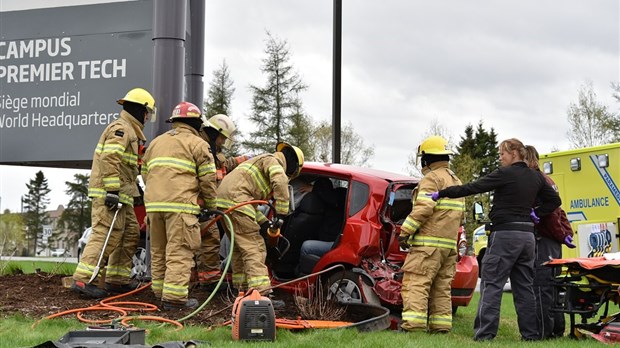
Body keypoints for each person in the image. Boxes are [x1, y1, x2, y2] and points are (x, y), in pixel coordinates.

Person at [429, 138, 561, 341]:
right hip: (527, 237)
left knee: (492, 284)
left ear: (515, 153)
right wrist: (536, 213)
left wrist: (442, 193)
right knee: (524, 287)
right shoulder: (536, 177)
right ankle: (531, 335)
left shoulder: (505, 174)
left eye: (502, 154)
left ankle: (485, 335)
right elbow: (555, 200)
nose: (500, 158)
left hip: (505, 236)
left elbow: (472, 187)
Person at [72, 87, 156, 298]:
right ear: (140, 110)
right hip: (110, 194)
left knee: (129, 234)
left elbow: (127, 168)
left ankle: (117, 280)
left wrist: (135, 193)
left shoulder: (131, 131)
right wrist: (111, 190)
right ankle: (83, 279)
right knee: (105, 234)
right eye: (147, 113)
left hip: (123, 195)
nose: (147, 118)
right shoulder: (122, 129)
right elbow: (110, 158)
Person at [141, 101, 217, 310]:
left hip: (154, 207)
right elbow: (208, 180)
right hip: (180, 207)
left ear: (174, 121)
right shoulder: (198, 144)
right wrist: (211, 205)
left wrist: (158, 193)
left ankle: (160, 292)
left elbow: (145, 172)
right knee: (179, 252)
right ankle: (174, 299)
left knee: (158, 251)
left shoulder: (156, 143)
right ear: (196, 122)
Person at [216, 142, 304, 307]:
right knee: (254, 247)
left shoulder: (261, 161)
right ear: (292, 167)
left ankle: (241, 291)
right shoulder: (274, 162)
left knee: (239, 248)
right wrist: (280, 216)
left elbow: (250, 204)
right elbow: (280, 182)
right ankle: (262, 295)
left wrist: (264, 223)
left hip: (226, 202)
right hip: (237, 201)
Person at [397, 135, 465, 333]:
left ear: (426, 158)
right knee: (441, 288)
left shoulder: (432, 179)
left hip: (428, 246)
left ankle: (414, 328)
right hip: (448, 246)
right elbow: (460, 218)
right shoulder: (455, 180)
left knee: (416, 284)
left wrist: (405, 231)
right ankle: (441, 328)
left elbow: (423, 208)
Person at [195, 114, 251, 288]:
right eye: (222, 138)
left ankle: (206, 279)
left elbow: (223, 165)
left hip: (207, 203)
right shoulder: (201, 147)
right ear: (214, 133)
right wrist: (210, 206)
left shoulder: (211, 149)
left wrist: (244, 159)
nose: (222, 142)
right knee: (209, 238)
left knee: (206, 240)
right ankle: (208, 281)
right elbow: (206, 179)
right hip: (200, 203)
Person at [524, 145, 575, 339]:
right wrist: (565, 234)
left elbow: (552, 216)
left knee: (541, 287)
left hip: (544, 240)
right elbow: (559, 212)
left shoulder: (536, 182)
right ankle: (557, 329)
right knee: (553, 287)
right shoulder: (548, 180)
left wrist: (561, 234)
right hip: (553, 242)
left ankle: (543, 332)